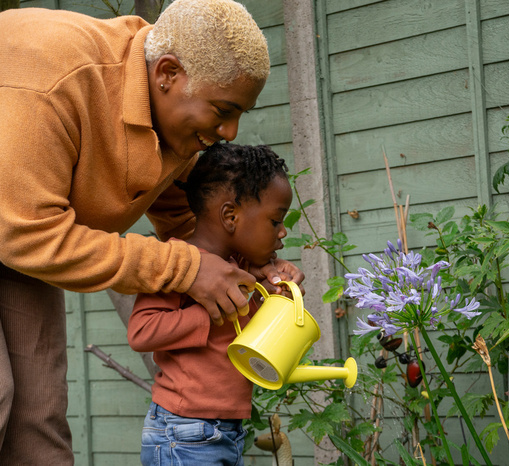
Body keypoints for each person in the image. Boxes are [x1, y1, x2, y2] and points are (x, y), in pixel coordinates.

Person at [0, 0, 303, 463]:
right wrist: (184, 268)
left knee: (38, 415)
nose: (230, 130)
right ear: (167, 73)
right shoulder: (56, 84)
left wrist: (251, 265)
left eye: (241, 113)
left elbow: (187, 216)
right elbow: (26, 234)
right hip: (21, 228)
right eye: (223, 110)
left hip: (20, 231)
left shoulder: (170, 120)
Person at [127, 143, 293, 466]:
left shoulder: (240, 266)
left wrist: (280, 290)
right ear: (231, 216)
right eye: (275, 222)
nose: (283, 232)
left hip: (227, 431)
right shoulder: (181, 264)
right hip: (182, 433)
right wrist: (208, 315)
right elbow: (141, 331)